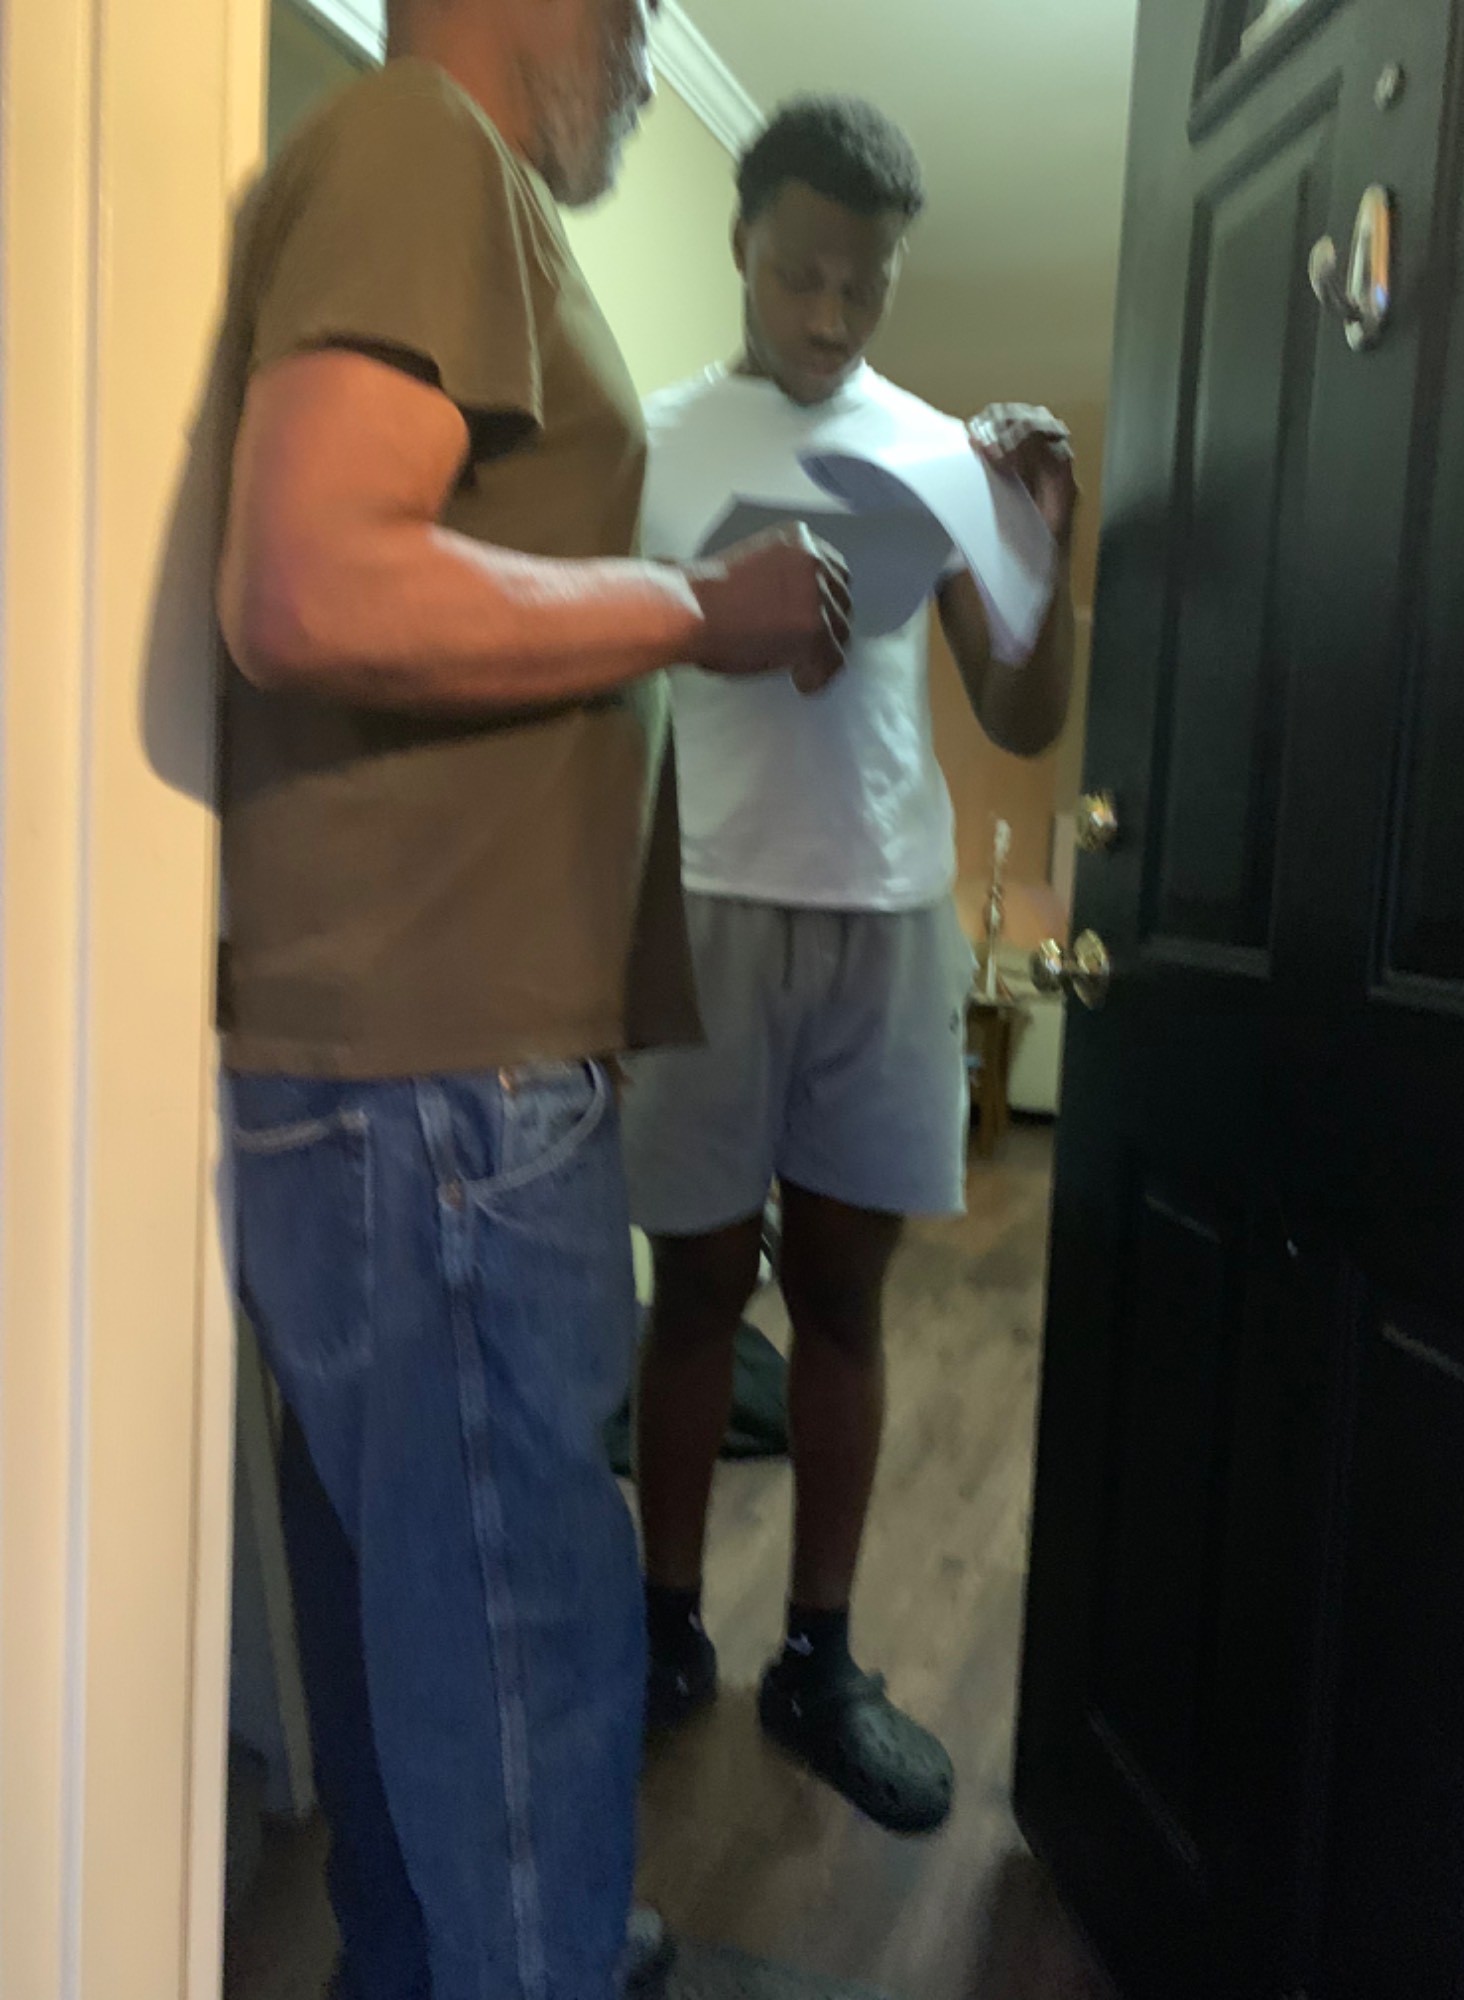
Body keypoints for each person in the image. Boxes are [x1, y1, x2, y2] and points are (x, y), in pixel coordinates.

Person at [213, 2, 852, 1992]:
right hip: (446, 1099)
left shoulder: (427, 172)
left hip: (415, 1089)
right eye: (644, 14)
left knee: (420, 1645)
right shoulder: (427, 146)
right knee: (520, 1667)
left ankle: (489, 1949)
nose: (654, 58)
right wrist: (698, 610)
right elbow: (309, 579)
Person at [623, 95, 1077, 1839]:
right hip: (703, 907)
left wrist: (1048, 544)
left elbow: (1019, 708)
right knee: (691, 1293)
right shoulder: (654, 439)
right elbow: (588, 674)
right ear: (741, 243)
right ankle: (666, 1628)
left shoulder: (940, 448)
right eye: (801, 273)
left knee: (841, 1298)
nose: (828, 314)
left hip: (885, 917)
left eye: (864, 286)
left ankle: (818, 1657)